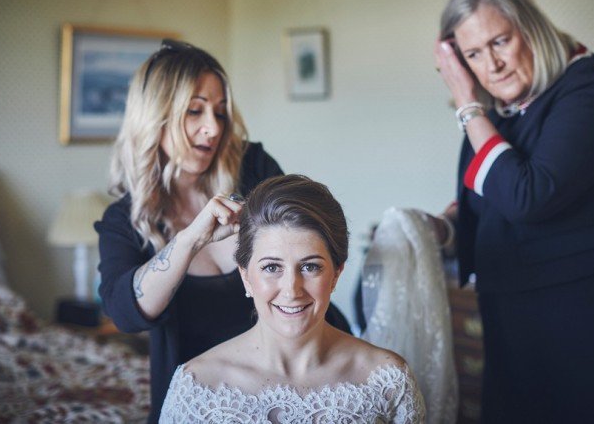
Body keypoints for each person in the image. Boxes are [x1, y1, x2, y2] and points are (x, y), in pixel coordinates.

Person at [431, 0, 594, 423]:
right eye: (473, 54)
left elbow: (527, 196)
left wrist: (466, 105)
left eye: (500, 41)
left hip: (585, 319)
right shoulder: (501, 111)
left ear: (531, 28)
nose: (491, 65)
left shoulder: (586, 88)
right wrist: (443, 226)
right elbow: (485, 198)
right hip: (511, 313)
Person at [95, 41, 349, 423]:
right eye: (195, 111)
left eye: (219, 112)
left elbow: (309, 241)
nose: (212, 128)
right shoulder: (125, 221)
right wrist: (190, 239)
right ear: (156, 117)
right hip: (204, 401)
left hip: (298, 382)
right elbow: (126, 314)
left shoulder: (254, 168)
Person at [159, 175, 426, 423]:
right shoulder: (196, 386)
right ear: (246, 276)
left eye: (310, 267)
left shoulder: (388, 381)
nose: (291, 290)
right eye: (272, 267)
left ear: (336, 274)